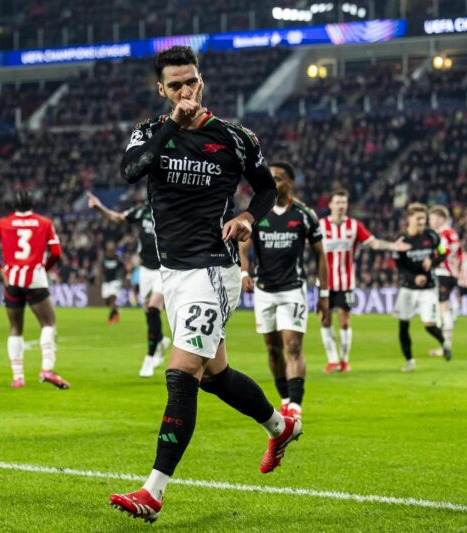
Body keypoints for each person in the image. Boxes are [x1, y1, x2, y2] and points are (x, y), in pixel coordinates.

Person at [109, 45, 299, 523]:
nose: (185, 91)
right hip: (173, 272)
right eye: (175, 85)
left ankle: (153, 492)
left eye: (190, 81)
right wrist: (173, 123)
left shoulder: (235, 137)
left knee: (181, 376)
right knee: (216, 376)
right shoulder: (151, 132)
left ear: (202, 81)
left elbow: (266, 188)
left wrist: (249, 217)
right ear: (162, 89)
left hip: (213, 270)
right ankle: (280, 427)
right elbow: (131, 171)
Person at [239, 161, 329, 420]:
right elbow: (243, 247)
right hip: (264, 290)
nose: (273, 182)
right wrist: (244, 272)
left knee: (293, 345)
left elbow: (320, 255)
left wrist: (323, 295)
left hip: (293, 289)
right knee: (272, 348)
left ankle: (296, 406)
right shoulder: (258, 211)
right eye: (270, 178)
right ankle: (286, 398)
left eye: (278, 178)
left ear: (291, 182)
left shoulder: (304, 214)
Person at [0, 190, 70, 389]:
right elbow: (56, 252)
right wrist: (44, 268)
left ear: (14, 206)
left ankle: (18, 378)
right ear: (32, 204)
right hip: (35, 278)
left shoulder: (3, 223)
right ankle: (47, 369)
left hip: (12, 279)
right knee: (48, 324)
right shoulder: (44, 223)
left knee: (15, 328)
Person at [319, 189, 410, 373]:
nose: (341, 206)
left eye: (344, 202)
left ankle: (344, 360)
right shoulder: (320, 225)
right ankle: (332, 360)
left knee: (345, 321)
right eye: (337, 202)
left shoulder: (354, 226)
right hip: (324, 283)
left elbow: (374, 243)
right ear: (330, 205)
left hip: (346, 283)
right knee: (325, 320)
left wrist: (393, 246)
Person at [87, 191, 171, 377]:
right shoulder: (141, 211)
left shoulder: (170, 211)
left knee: (153, 308)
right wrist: (99, 208)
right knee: (148, 313)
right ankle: (160, 342)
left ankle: (149, 359)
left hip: (164, 269)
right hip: (145, 269)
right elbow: (116, 218)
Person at [393, 203, 450, 372]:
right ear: (409, 219)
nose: (421, 222)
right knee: (403, 325)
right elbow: (399, 267)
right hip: (408, 289)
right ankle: (409, 361)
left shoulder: (431, 236)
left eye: (423, 219)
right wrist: (414, 277)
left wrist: (433, 260)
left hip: (428, 288)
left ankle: (444, 342)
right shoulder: (401, 241)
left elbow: (444, 252)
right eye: (418, 219)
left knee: (429, 324)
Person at [428, 205, 460, 356]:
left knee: (442, 308)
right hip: (451, 273)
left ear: (441, 219)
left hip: (443, 273)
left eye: (432, 219)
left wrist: (430, 260)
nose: (430, 222)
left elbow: (444, 252)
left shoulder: (443, 234)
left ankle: (445, 345)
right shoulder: (453, 233)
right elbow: (457, 254)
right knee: (443, 307)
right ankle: (445, 345)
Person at [100, 240, 124, 324]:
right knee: (107, 301)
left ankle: (111, 318)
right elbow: (101, 268)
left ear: (114, 248)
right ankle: (116, 312)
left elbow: (122, 268)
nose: (110, 248)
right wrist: (100, 278)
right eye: (109, 246)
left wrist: (122, 277)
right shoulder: (104, 257)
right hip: (106, 281)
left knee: (112, 298)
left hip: (115, 281)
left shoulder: (118, 257)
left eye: (112, 246)